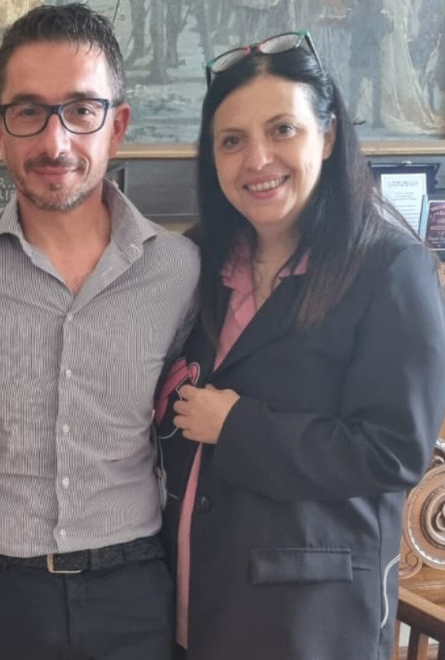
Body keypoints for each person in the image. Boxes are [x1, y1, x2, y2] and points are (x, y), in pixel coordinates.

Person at [0, 5, 199, 659]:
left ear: (117, 125)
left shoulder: (179, 273)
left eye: (82, 110)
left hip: (133, 594)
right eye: (29, 112)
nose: (55, 142)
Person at [157, 30, 445, 660]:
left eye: (282, 129)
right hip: (191, 600)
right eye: (232, 141)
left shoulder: (390, 268)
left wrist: (237, 427)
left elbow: (394, 451)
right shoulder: (200, 257)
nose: (257, 159)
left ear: (329, 134)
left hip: (304, 621)